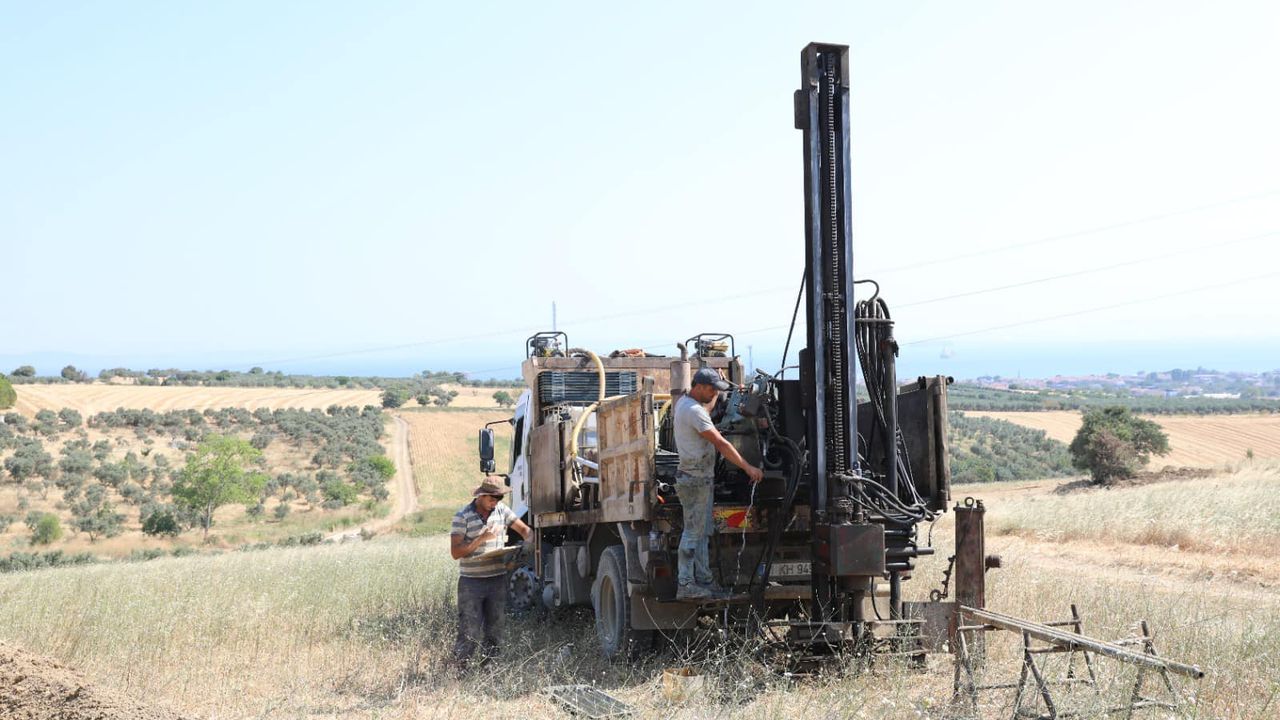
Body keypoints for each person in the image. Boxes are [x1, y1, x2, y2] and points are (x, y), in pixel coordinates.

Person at [672, 367, 764, 600]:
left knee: (703, 533)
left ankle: (704, 581)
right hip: (695, 480)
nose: (715, 394)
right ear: (699, 387)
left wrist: (720, 386)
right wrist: (748, 467)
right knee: (693, 533)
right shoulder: (694, 412)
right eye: (712, 389)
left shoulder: (686, 403)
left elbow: (707, 410)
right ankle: (685, 584)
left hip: (698, 478)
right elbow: (721, 443)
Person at [449, 479, 532, 668]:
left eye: (500, 497)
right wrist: (482, 538)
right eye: (493, 498)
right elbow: (456, 553)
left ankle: (490, 669)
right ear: (481, 495)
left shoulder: (502, 511)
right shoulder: (462, 516)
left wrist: (524, 547)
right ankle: (461, 671)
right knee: (469, 630)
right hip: (472, 583)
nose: (497, 501)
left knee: (495, 630)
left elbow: (525, 530)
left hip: (497, 580)